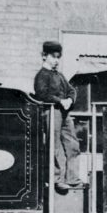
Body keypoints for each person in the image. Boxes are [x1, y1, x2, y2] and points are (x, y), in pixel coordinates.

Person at [33, 40, 83, 191]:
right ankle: (56, 179)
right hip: (51, 111)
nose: (56, 60)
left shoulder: (59, 75)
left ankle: (72, 178)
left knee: (73, 145)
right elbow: (42, 94)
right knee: (54, 147)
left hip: (64, 113)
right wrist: (61, 101)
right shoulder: (41, 75)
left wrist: (69, 99)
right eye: (53, 57)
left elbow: (72, 90)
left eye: (58, 57)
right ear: (44, 56)